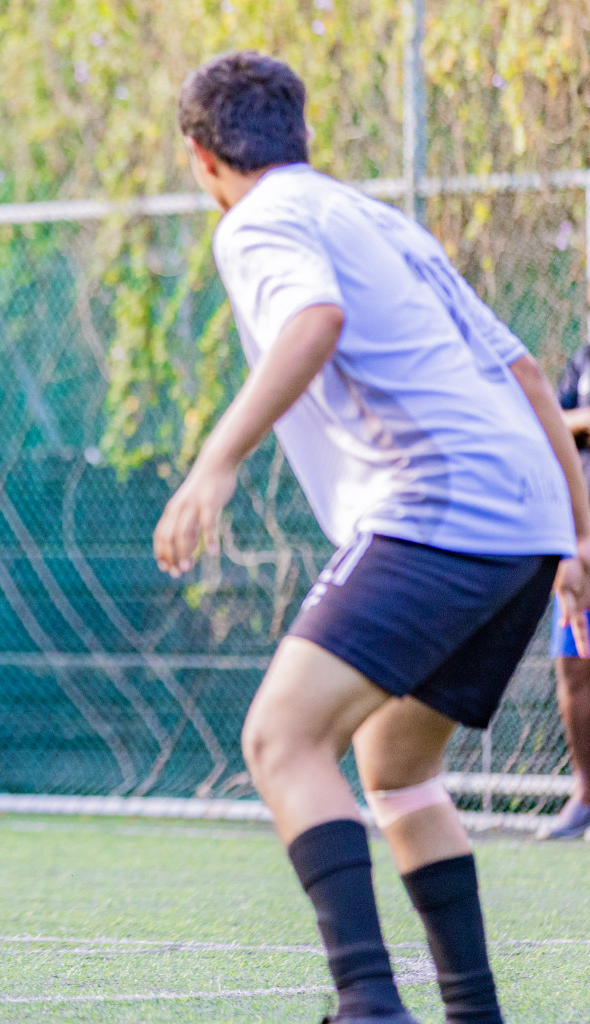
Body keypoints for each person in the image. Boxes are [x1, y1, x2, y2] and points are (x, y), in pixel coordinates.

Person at [153, 51, 590, 1024]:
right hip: (523, 514)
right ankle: (475, 1011)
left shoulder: (259, 219)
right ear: (298, 133)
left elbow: (314, 318)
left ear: (200, 156)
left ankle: (368, 1005)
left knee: (279, 736)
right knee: (398, 773)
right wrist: (577, 537)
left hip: (438, 504)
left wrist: (215, 462)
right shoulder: (377, 219)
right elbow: (522, 369)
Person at [541, 341, 590, 839]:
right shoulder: (584, 355)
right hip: (582, 543)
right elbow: (551, 426)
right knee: (575, 666)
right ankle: (585, 798)